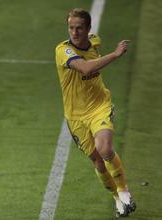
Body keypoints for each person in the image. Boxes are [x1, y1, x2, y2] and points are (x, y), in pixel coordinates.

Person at [55, 8, 136, 218]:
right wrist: (115, 54)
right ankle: (117, 200)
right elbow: (85, 68)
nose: (74, 32)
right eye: (71, 27)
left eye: (79, 28)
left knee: (105, 149)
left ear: (88, 29)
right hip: (75, 117)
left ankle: (125, 191)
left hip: (99, 106)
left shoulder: (94, 40)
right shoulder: (63, 51)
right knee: (99, 163)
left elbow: (93, 45)